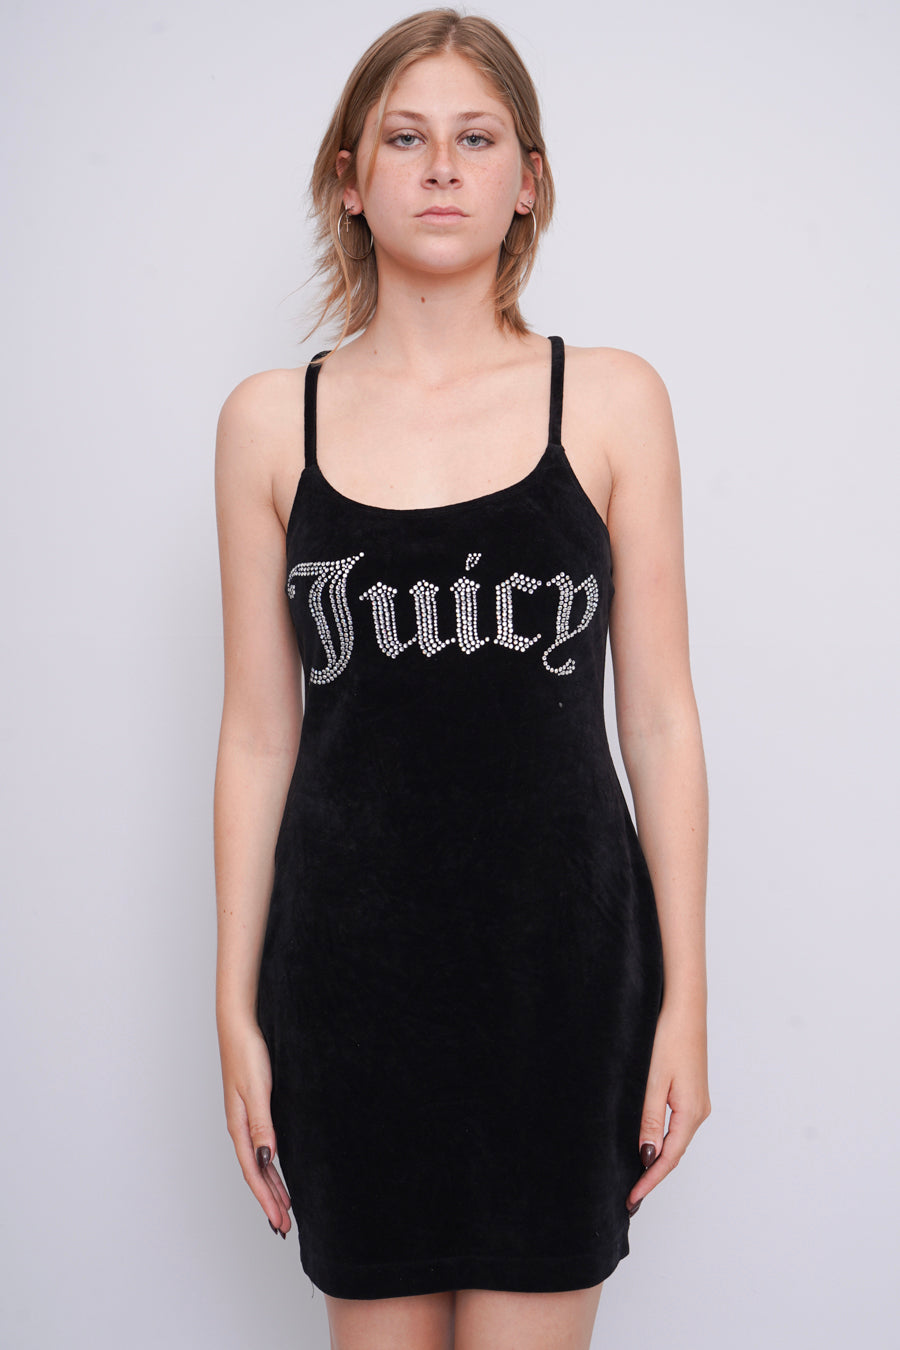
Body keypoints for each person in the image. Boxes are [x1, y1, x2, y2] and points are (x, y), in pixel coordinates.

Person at [213, 8, 710, 1348]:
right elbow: (257, 737)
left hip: (562, 979)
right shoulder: (269, 424)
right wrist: (233, 1008)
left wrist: (687, 1001)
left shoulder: (610, 402)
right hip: (346, 984)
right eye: (406, 138)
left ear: (528, 179)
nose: (442, 166)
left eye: (478, 138)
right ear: (348, 178)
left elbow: (661, 720)